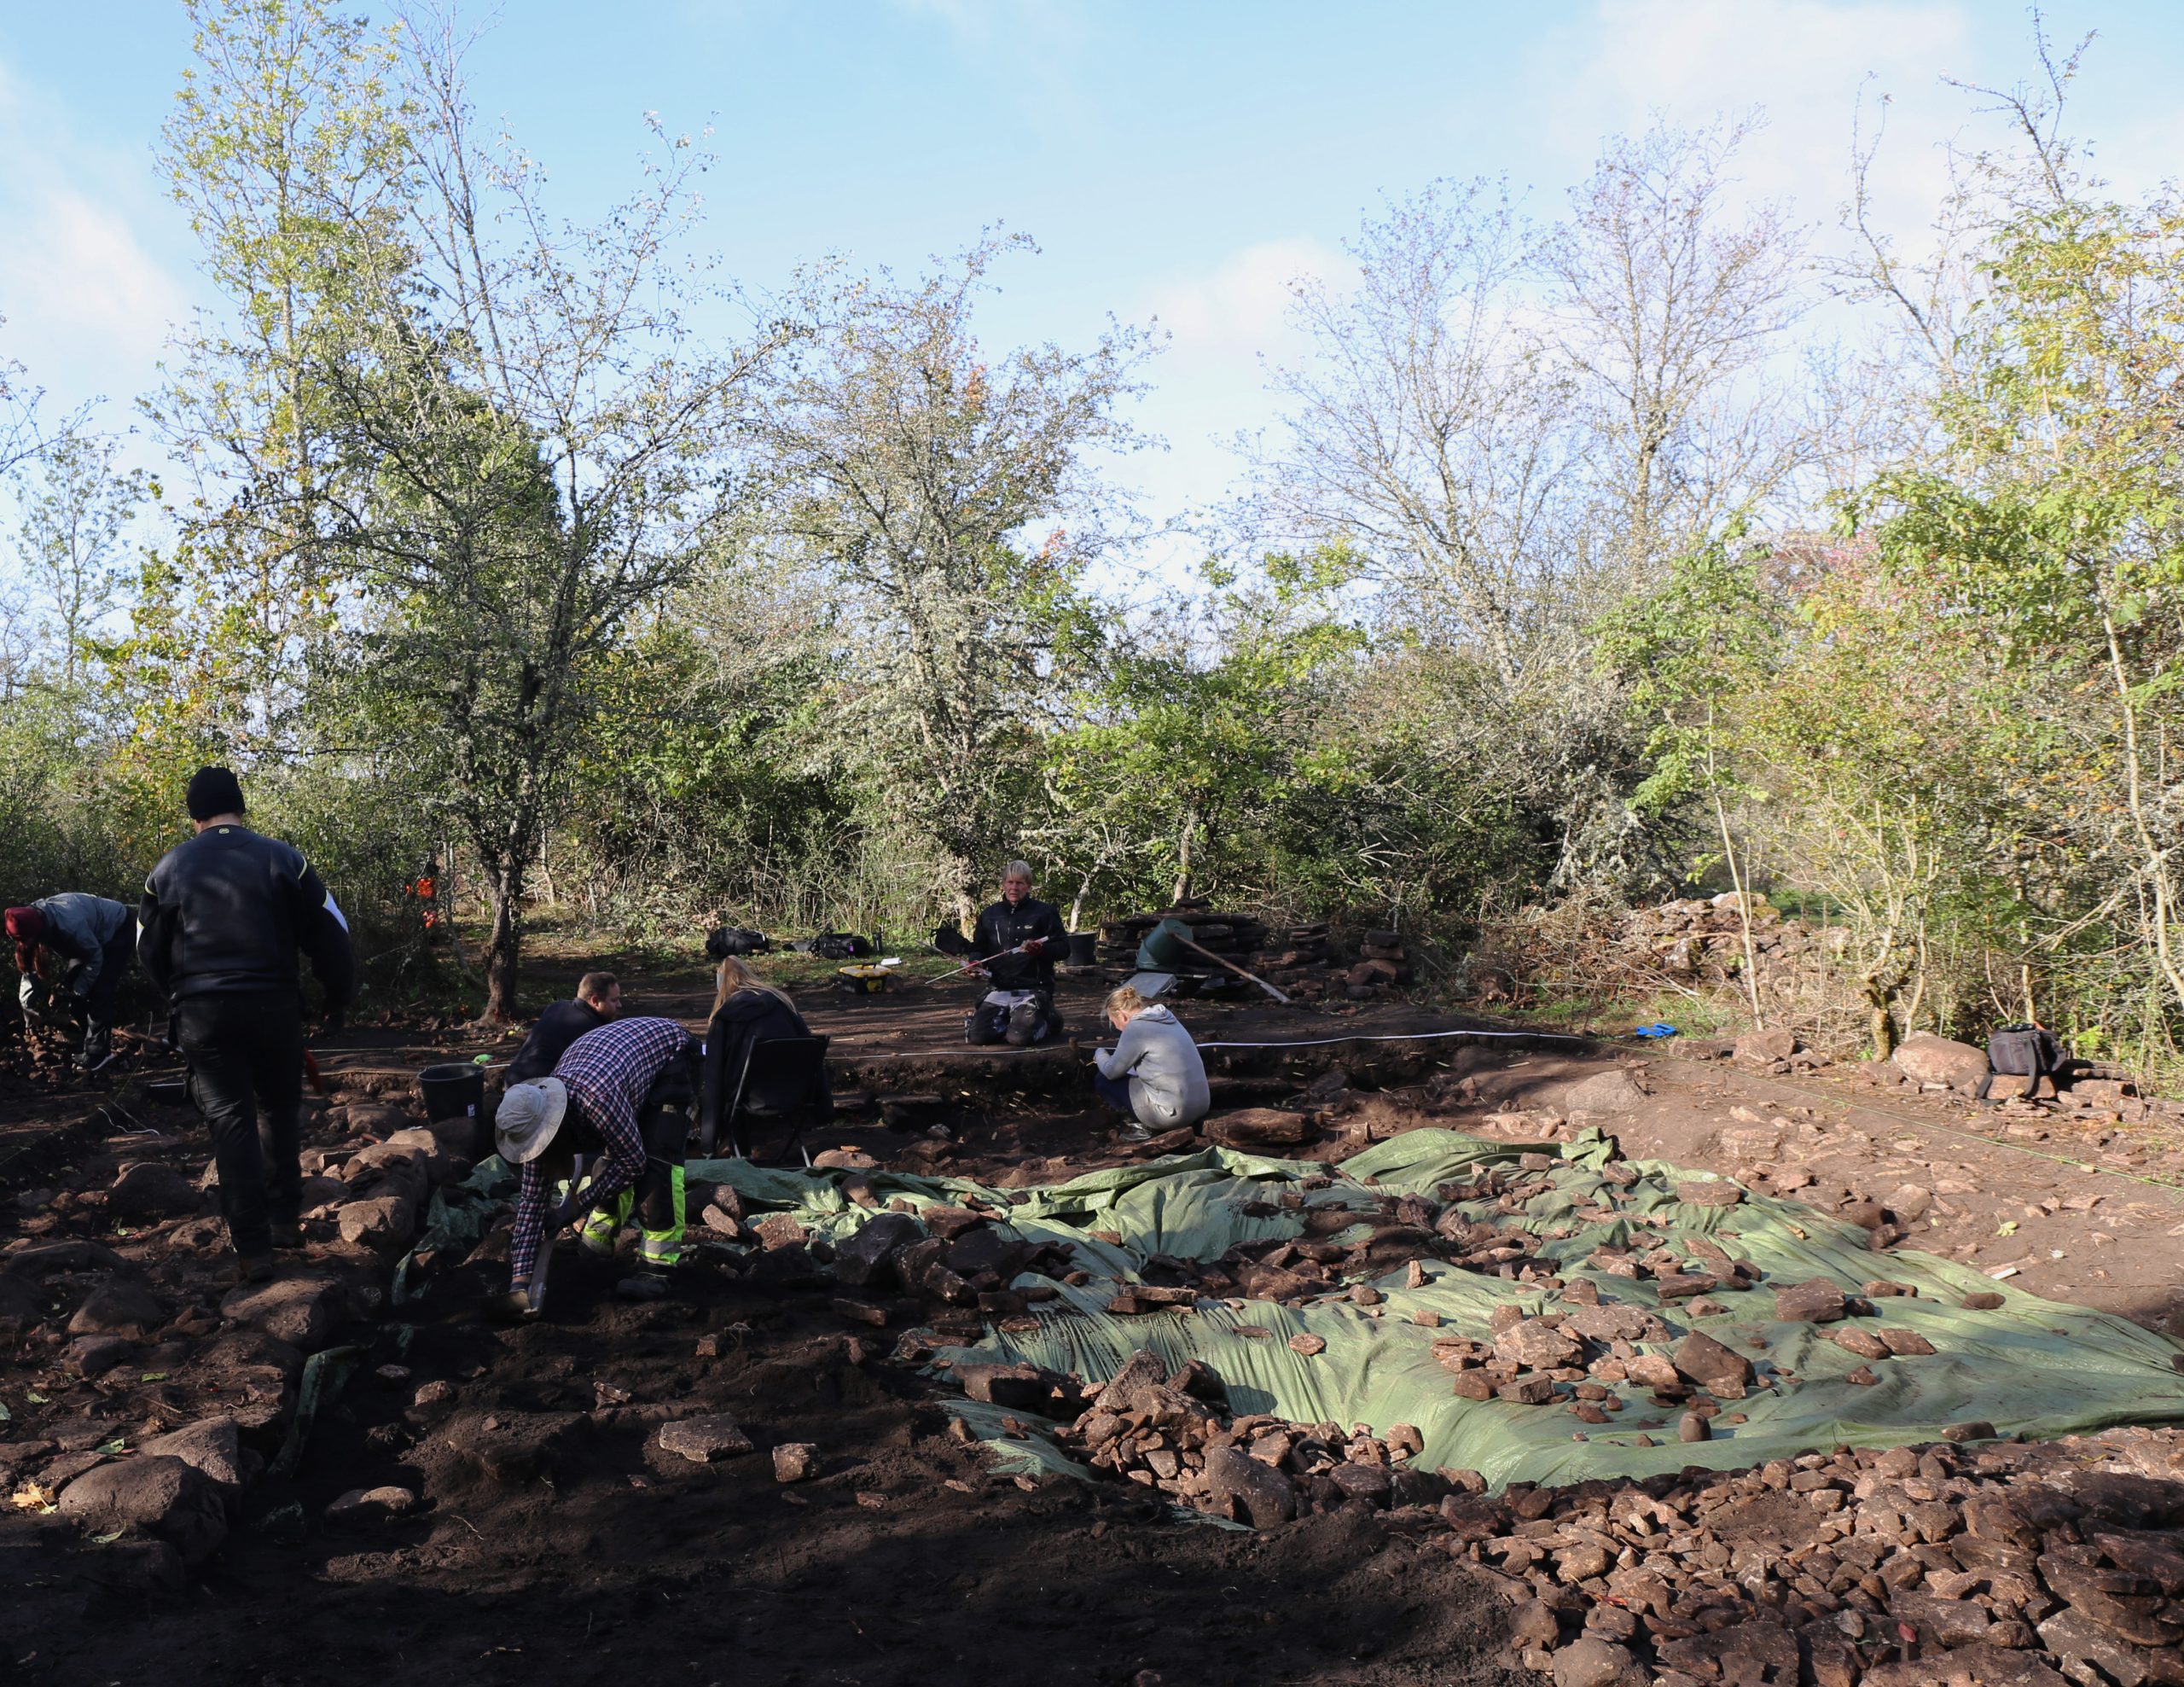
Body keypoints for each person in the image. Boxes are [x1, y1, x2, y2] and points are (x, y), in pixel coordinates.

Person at [137, 766, 355, 1282]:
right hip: (274, 1007)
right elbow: (333, 935)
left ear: (195, 815)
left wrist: (177, 994)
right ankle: (284, 1219)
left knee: (231, 1121)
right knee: (279, 1109)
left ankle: (254, 1249)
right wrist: (336, 1001)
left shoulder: (168, 868)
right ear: (241, 806)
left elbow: (147, 948)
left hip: (204, 1013)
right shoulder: (285, 859)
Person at [490, 1015, 695, 1317]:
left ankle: (657, 1270)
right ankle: (598, 1246)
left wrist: (574, 1207)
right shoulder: (533, 1126)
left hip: (670, 1055)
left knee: (655, 1165)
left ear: (552, 1126)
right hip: (616, 1065)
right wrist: (519, 1283)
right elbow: (533, 1203)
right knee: (608, 1164)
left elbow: (633, 1163)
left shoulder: (596, 1102)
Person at [699, 956, 828, 1155]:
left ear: (721, 986)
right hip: (794, 1092)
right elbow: (811, 1049)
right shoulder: (783, 1004)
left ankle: (740, 1151)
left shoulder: (724, 1016)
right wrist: (825, 1108)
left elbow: (714, 1076)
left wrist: (708, 1139)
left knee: (728, 1083)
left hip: (749, 1097)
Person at [7, 894, 136, 1072]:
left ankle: (99, 1054)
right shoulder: (27, 921)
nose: (22, 944)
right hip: (88, 941)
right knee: (74, 995)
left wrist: (79, 990)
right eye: (19, 940)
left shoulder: (69, 926)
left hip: (116, 930)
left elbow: (94, 957)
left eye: (25, 940)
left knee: (98, 992)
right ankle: (91, 1041)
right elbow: (30, 969)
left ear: (36, 932)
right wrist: (28, 1009)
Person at [962, 861, 1069, 1047]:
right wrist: (975, 962)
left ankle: (1048, 1017)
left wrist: (1041, 950)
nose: (1014, 888)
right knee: (977, 1038)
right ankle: (1012, 1020)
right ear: (1003, 884)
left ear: (1028, 885)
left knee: (1020, 1039)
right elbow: (978, 947)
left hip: (1034, 989)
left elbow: (1064, 949)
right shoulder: (989, 914)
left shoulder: (1044, 912)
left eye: (1020, 883)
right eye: (1010, 882)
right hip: (999, 988)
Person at [1092, 985, 1211, 1141]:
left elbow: (1111, 1072)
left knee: (1103, 1079)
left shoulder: (1136, 1029)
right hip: (1201, 1105)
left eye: (1113, 1021)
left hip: (1172, 1115)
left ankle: (1141, 1127)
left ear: (1122, 1015)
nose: (1115, 1026)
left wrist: (1099, 1053)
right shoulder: (1166, 1018)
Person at [504, 971, 622, 1084]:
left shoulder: (557, 1007)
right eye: (614, 1000)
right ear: (595, 1001)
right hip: (539, 1089)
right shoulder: (593, 1031)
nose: (619, 1005)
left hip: (513, 1078)